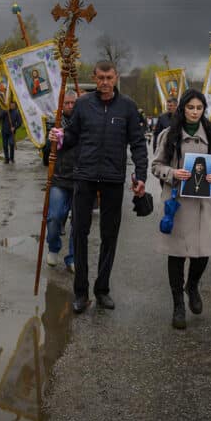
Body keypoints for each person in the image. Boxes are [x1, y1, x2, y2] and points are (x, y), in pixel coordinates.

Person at [49, 61, 148, 314]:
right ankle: (80, 292)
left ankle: (102, 289)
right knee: (79, 233)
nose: (104, 82)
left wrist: (141, 174)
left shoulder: (127, 107)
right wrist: (59, 137)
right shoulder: (83, 104)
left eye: (109, 77)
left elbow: (138, 143)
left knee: (109, 235)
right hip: (85, 176)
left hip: (113, 178)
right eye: (100, 77)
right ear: (94, 77)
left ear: (116, 78)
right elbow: (72, 136)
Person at [151, 89, 211, 329]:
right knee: (177, 254)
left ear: (203, 110)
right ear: (183, 108)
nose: (194, 112)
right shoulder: (168, 135)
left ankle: (192, 285)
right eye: (190, 107)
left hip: (202, 203)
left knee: (202, 253)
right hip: (177, 202)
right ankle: (178, 304)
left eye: (199, 108)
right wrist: (172, 173)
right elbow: (156, 165)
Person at [42, 90, 79, 272]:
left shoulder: (84, 122)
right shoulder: (54, 123)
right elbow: (45, 157)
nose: (71, 106)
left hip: (80, 179)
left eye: (73, 103)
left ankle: (73, 257)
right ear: (61, 105)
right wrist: (50, 142)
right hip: (59, 179)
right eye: (67, 103)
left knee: (78, 222)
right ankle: (53, 246)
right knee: (54, 216)